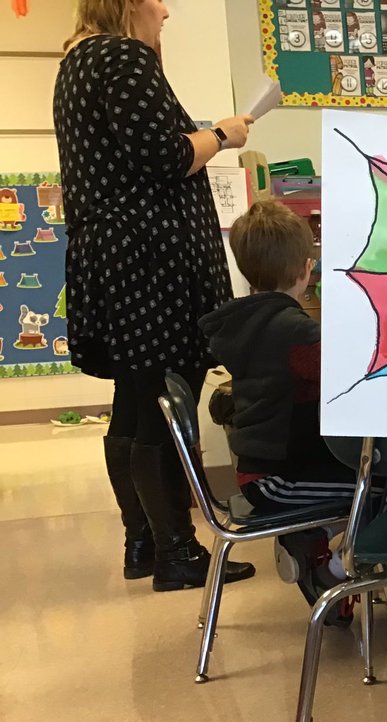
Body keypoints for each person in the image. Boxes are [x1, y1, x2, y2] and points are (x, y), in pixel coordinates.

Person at [54, 0, 255, 591]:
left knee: (135, 398)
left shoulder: (78, 62)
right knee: (168, 401)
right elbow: (165, 157)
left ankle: (142, 543)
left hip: (117, 257)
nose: (165, 10)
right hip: (152, 262)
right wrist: (221, 134)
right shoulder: (122, 56)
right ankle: (177, 553)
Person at [199, 201, 385, 626]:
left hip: (261, 470)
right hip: (278, 481)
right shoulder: (295, 331)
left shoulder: (250, 322)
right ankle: (329, 569)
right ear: (306, 269)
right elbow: (352, 377)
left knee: (379, 481)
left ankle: (312, 538)